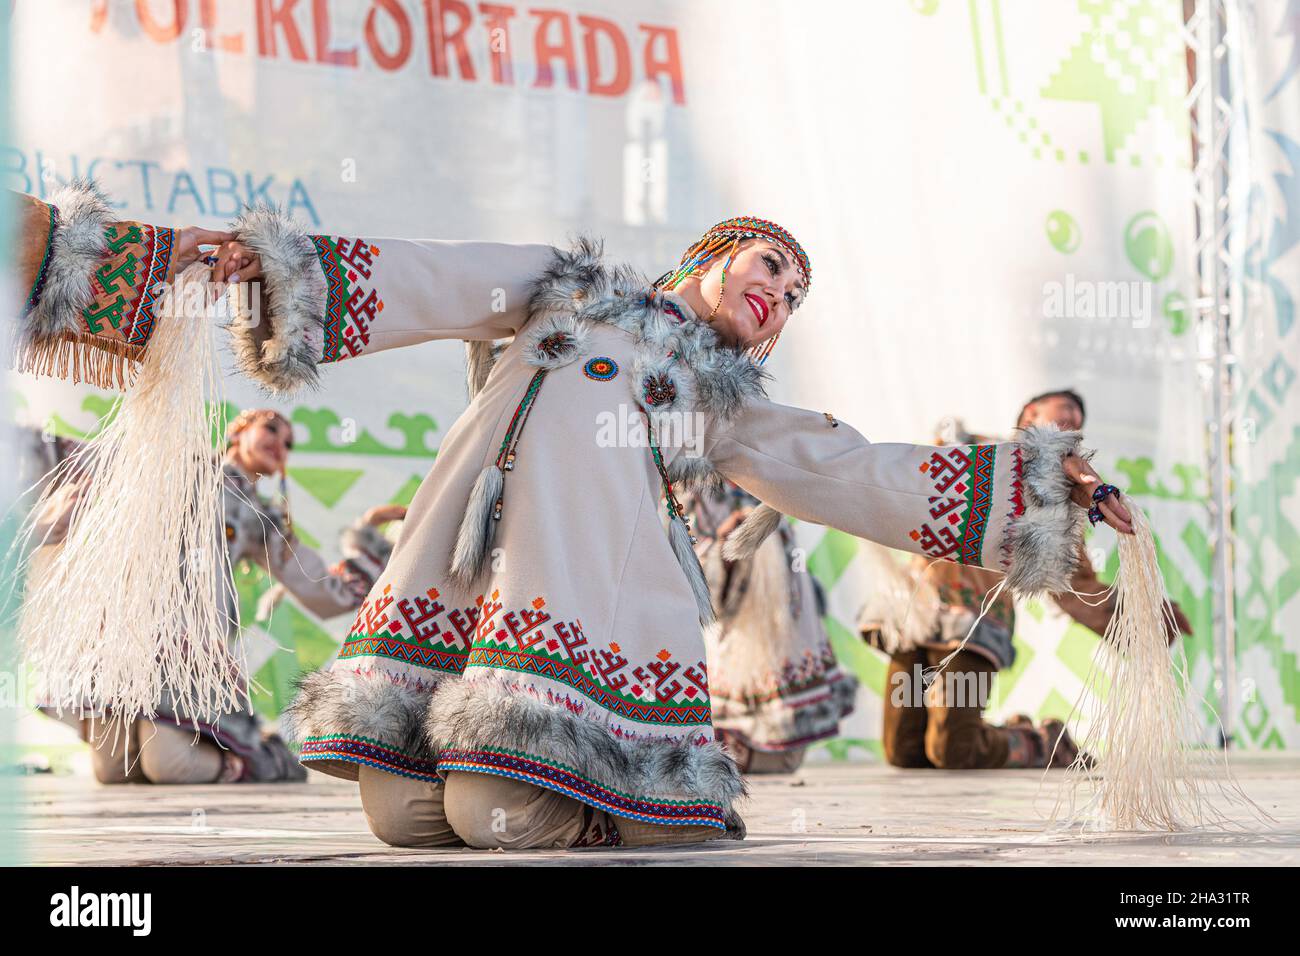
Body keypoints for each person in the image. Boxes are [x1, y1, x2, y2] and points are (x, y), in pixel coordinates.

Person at [10, 181, 1135, 848]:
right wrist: (248, 267)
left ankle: (621, 796)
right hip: (460, 568)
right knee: (405, 816)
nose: (779, 297)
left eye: (795, 299)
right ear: (706, 256)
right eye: (769, 267)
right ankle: (585, 796)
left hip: (583, 592)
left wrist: (1042, 485)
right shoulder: (565, 285)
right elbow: (428, 278)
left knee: (497, 804)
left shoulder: (721, 402)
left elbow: (852, 469)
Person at [28, 408, 400, 784]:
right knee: (112, 771)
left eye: (288, 443)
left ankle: (263, 761)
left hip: (185, 648)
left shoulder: (261, 514)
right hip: (122, 639)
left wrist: (369, 539)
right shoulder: (181, 466)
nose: (280, 444)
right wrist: (35, 448)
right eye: (271, 428)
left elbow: (320, 588)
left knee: (168, 765)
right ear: (239, 430)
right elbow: (97, 460)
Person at [858, 390, 1192, 770]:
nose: (1074, 422)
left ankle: (1040, 742)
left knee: (954, 750)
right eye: (1066, 410)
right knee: (904, 752)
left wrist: (1143, 615)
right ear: (1031, 412)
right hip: (914, 614)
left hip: (972, 626)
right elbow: (904, 485)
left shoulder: (1058, 502)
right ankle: (1021, 735)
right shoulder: (976, 453)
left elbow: (1076, 587)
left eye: (1079, 422)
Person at [686, 481, 856, 774]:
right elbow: (695, 584)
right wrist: (726, 544)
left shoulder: (772, 477)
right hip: (731, 648)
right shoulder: (696, 491)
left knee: (784, 757)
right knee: (723, 752)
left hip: (782, 636)